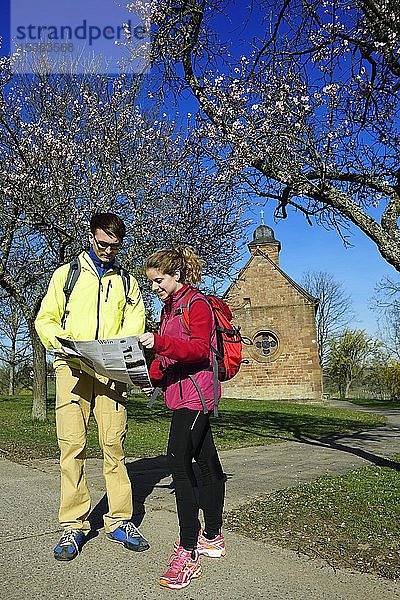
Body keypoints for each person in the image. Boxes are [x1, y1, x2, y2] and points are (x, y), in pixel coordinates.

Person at [35, 212, 149, 561]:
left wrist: (123, 351)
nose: (108, 251)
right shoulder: (65, 276)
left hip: (111, 372)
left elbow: (134, 324)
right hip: (71, 368)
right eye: (103, 244)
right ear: (90, 236)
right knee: (72, 447)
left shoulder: (128, 284)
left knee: (114, 446)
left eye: (115, 246)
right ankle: (74, 524)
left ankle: (119, 520)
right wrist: (62, 341)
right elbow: (46, 319)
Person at [139, 246, 226, 590]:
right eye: (151, 283)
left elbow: (198, 350)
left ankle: (188, 550)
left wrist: (159, 343)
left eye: (158, 281)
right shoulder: (168, 308)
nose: (155, 287)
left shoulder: (197, 304)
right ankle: (213, 536)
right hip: (179, 394)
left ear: (176, 274)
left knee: (178, 461)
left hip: (197, 394)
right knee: (207, 463)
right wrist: (150, 377)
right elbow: (169, 357)